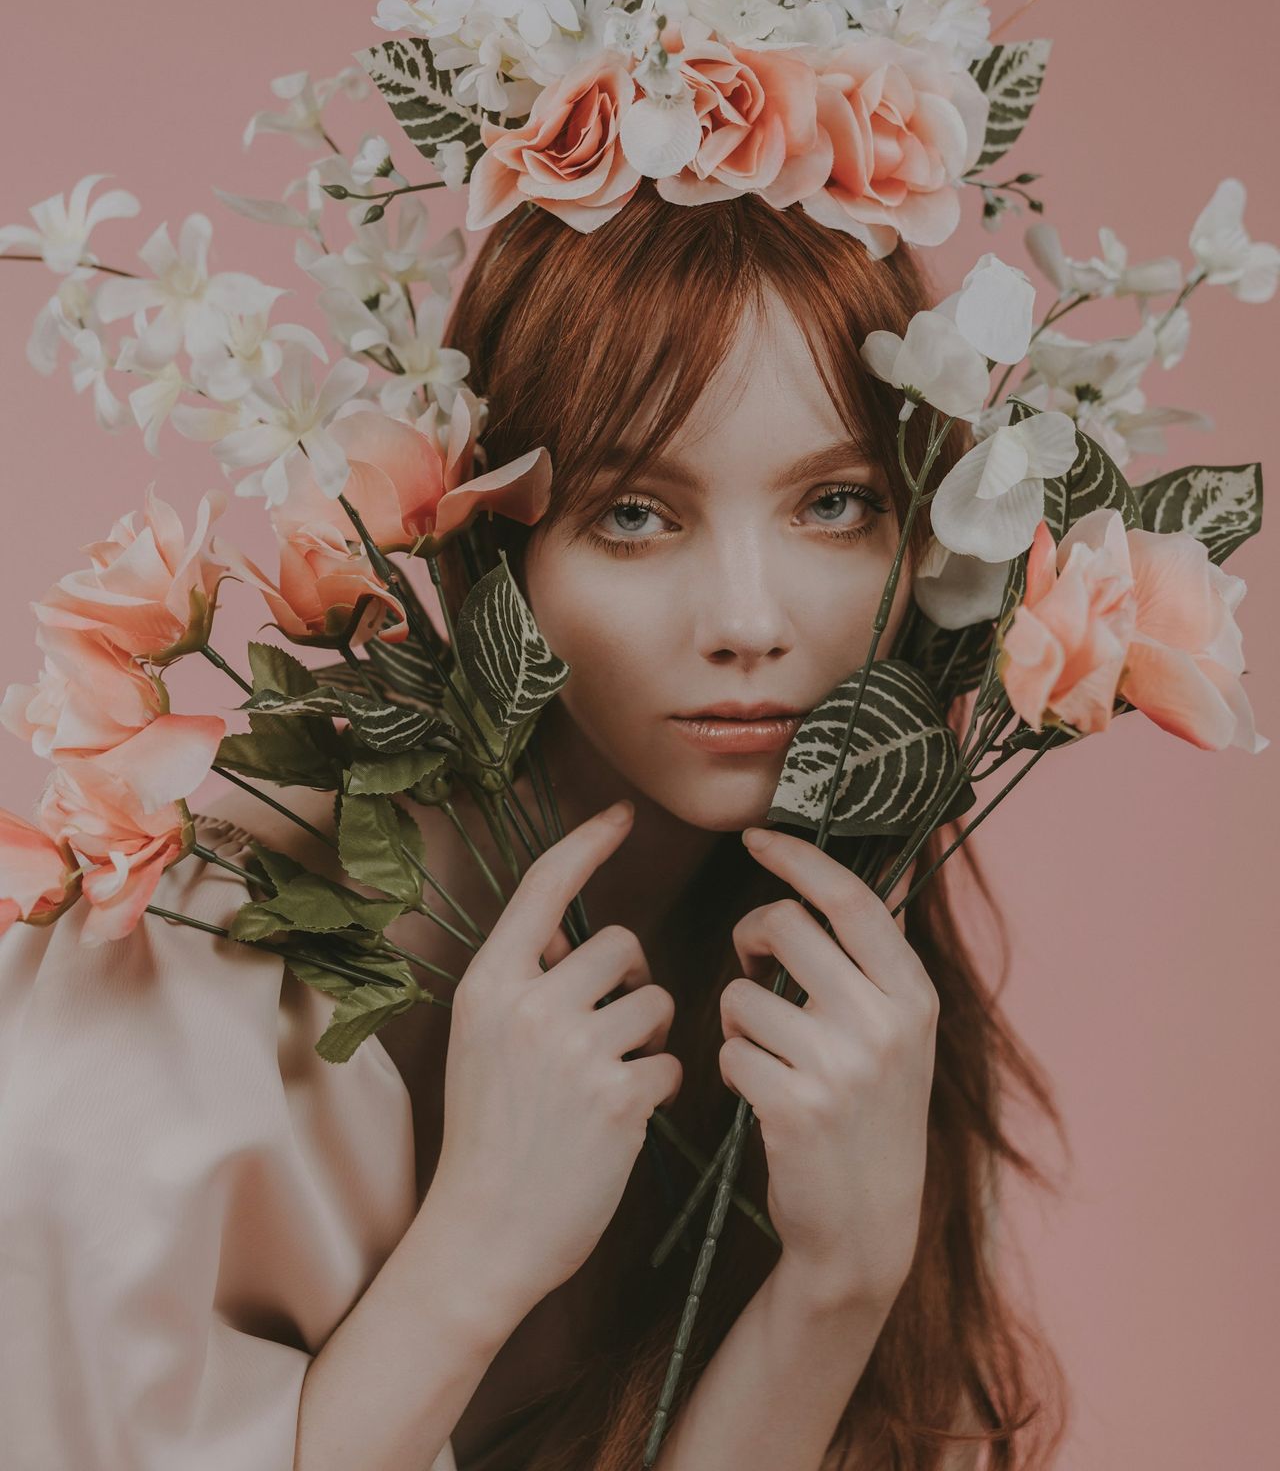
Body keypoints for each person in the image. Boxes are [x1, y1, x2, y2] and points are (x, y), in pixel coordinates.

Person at [0, 191, 1068, 1471]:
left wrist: (835, 1283)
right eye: (632, 511)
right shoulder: (178, 977)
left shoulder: (817, 980)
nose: (747, 620)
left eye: (832, 504)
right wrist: (476, 1256)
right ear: (483, 547)